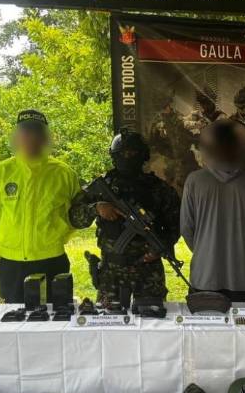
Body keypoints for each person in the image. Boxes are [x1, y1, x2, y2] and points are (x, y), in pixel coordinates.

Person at [68, 129, 181, 302]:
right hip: (112, 272)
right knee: (109, 324)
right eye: (122, 153)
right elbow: (74, 218)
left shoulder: (158, 189)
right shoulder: (103, 185)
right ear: (114, 156)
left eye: (132, 152)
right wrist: (96, 208)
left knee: (153, 322)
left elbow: (176, 223)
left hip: (148, 271)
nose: (127, 157)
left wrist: (161, 246)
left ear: (142, 155)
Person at [0, 110, 80, 303]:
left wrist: (55, 236)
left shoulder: (63, 173)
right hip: (11, 264)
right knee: (13, 321)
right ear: (17, 136)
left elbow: (77, 215)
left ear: (45, 137)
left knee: (55, 321)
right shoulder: (2, 172)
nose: (30, 137)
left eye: (37, 132)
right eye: (25, 132)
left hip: (51, 260)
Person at [180, 119, 245, 302]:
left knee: (204, 329)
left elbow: (187, 228)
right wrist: (242, 250)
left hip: (205, 275)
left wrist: (206, 250)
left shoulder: (195, 181)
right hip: (244, 277)